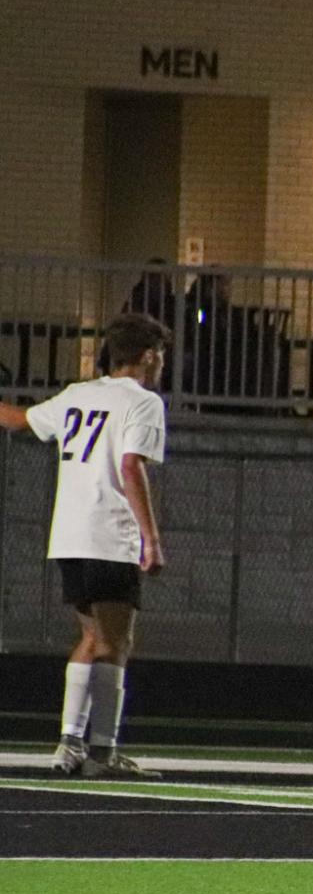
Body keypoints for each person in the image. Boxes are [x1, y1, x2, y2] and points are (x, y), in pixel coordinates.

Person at [0, 313, 172, 780]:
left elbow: (18, 420)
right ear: (148, 356)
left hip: (69, 536)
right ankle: (101, 752)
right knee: (116, 642)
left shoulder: (79, 394)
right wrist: (150, 538)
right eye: (160, 355)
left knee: (92, 638)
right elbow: (131, 466)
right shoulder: (143, 402)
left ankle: (68, 746)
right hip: (109, 534)